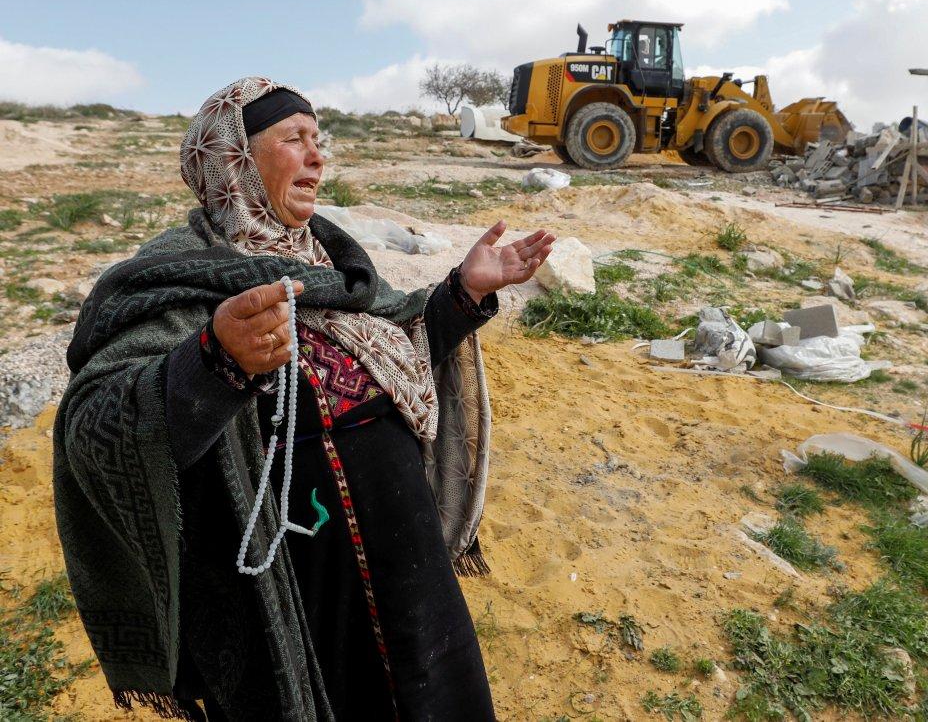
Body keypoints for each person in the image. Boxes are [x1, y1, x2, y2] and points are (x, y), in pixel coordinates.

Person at [53, 77, 555, 721]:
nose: (318, 156)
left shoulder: (330, 264)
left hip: (412, 576)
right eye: (294, 139)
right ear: (232, 159)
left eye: (319, 140)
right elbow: (93, 429)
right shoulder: (173, 279)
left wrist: (460, 293)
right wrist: (212, 362)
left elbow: (392, 354)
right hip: (294, 595)